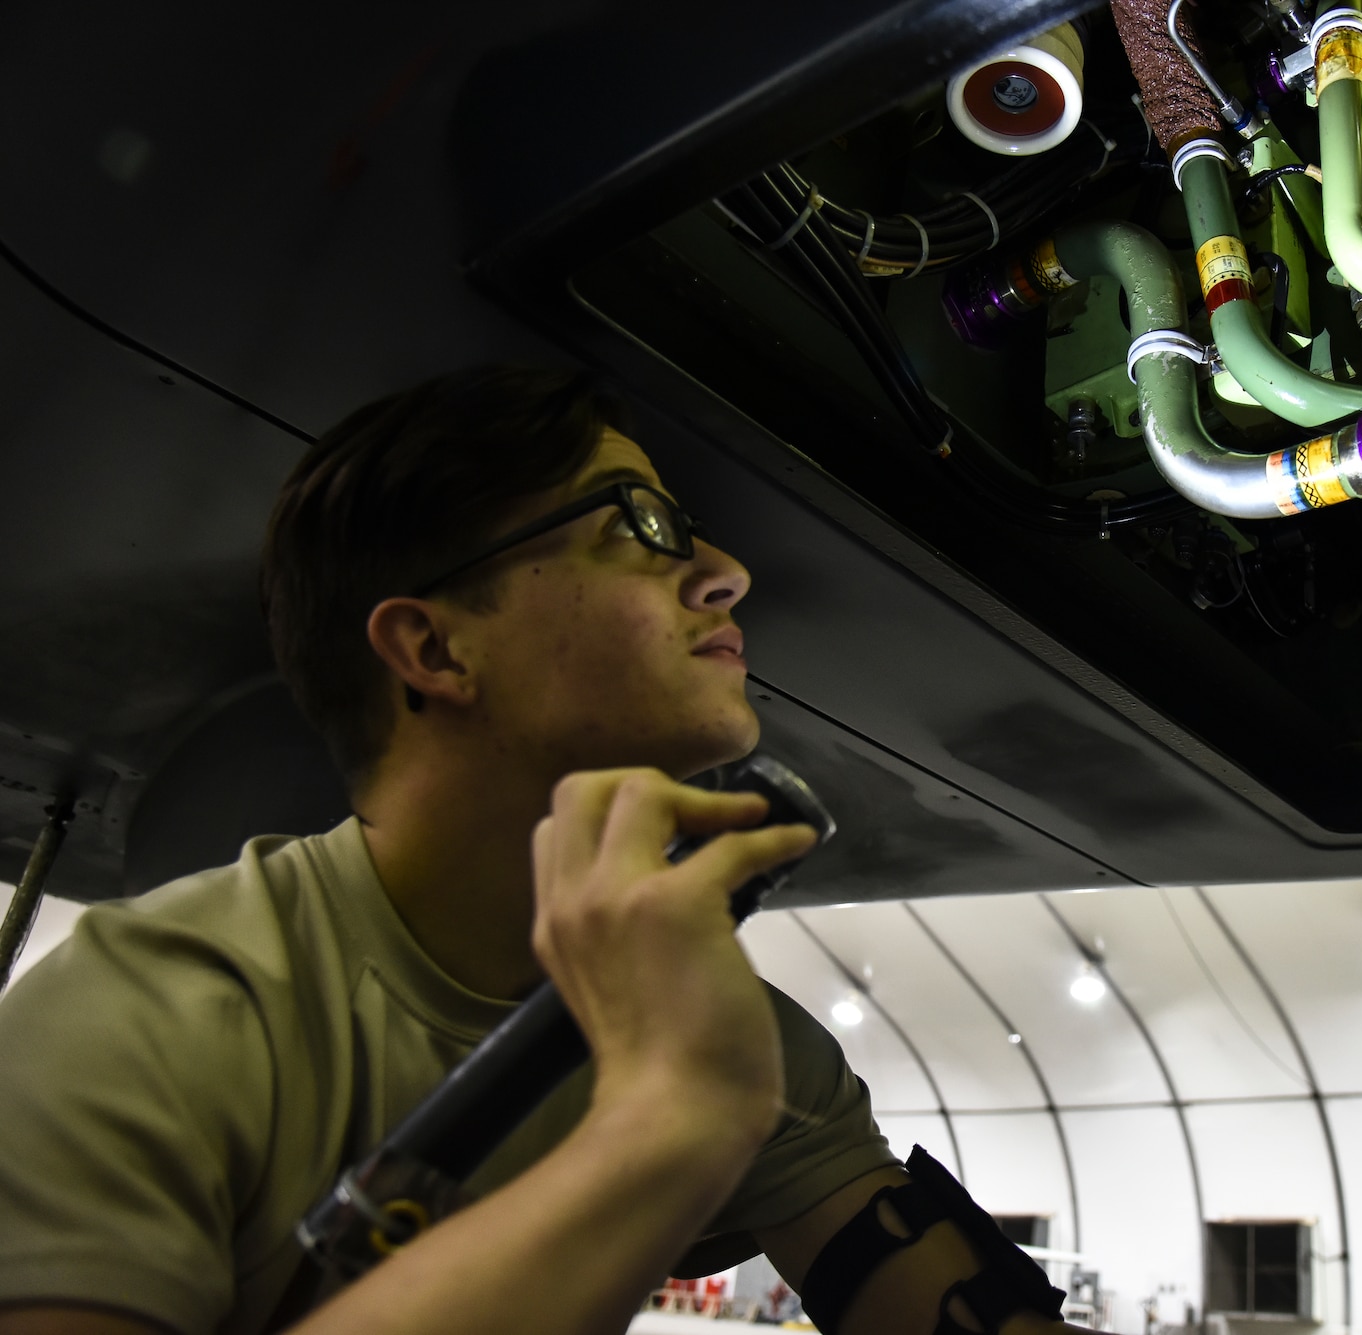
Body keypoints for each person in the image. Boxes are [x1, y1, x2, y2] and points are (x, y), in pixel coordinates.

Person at [0, 367, 1087, 1335]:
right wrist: (671, 1121)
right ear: (433, 646)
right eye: (640, 524)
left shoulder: (724, 1030)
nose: (723, 573)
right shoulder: (146, 1016)